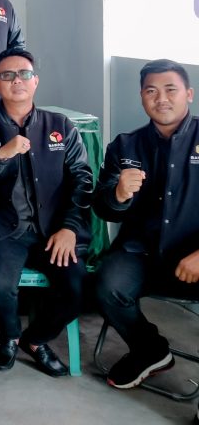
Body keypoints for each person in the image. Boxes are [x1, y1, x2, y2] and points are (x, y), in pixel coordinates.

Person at [0, 48, 93, 377]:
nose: (16, 80)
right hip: (4, 229)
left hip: (55, 230)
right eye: (7, 75)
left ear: (35, 81)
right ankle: (10, 335)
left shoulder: (60, 126)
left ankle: (36, 339)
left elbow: (82, 180)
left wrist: (69, 227)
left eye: (24, 74)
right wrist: (1, 156)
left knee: (77, 284)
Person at [93, 59, 199, 394]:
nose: (161, 99)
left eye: (170, 90)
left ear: (189, 94)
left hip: (193, 256)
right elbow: (103, 209)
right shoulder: (126, 146)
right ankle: (150, 349)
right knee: (107, 284)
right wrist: (118, 195)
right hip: (141, 253)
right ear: (142, 97)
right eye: (151, 91)